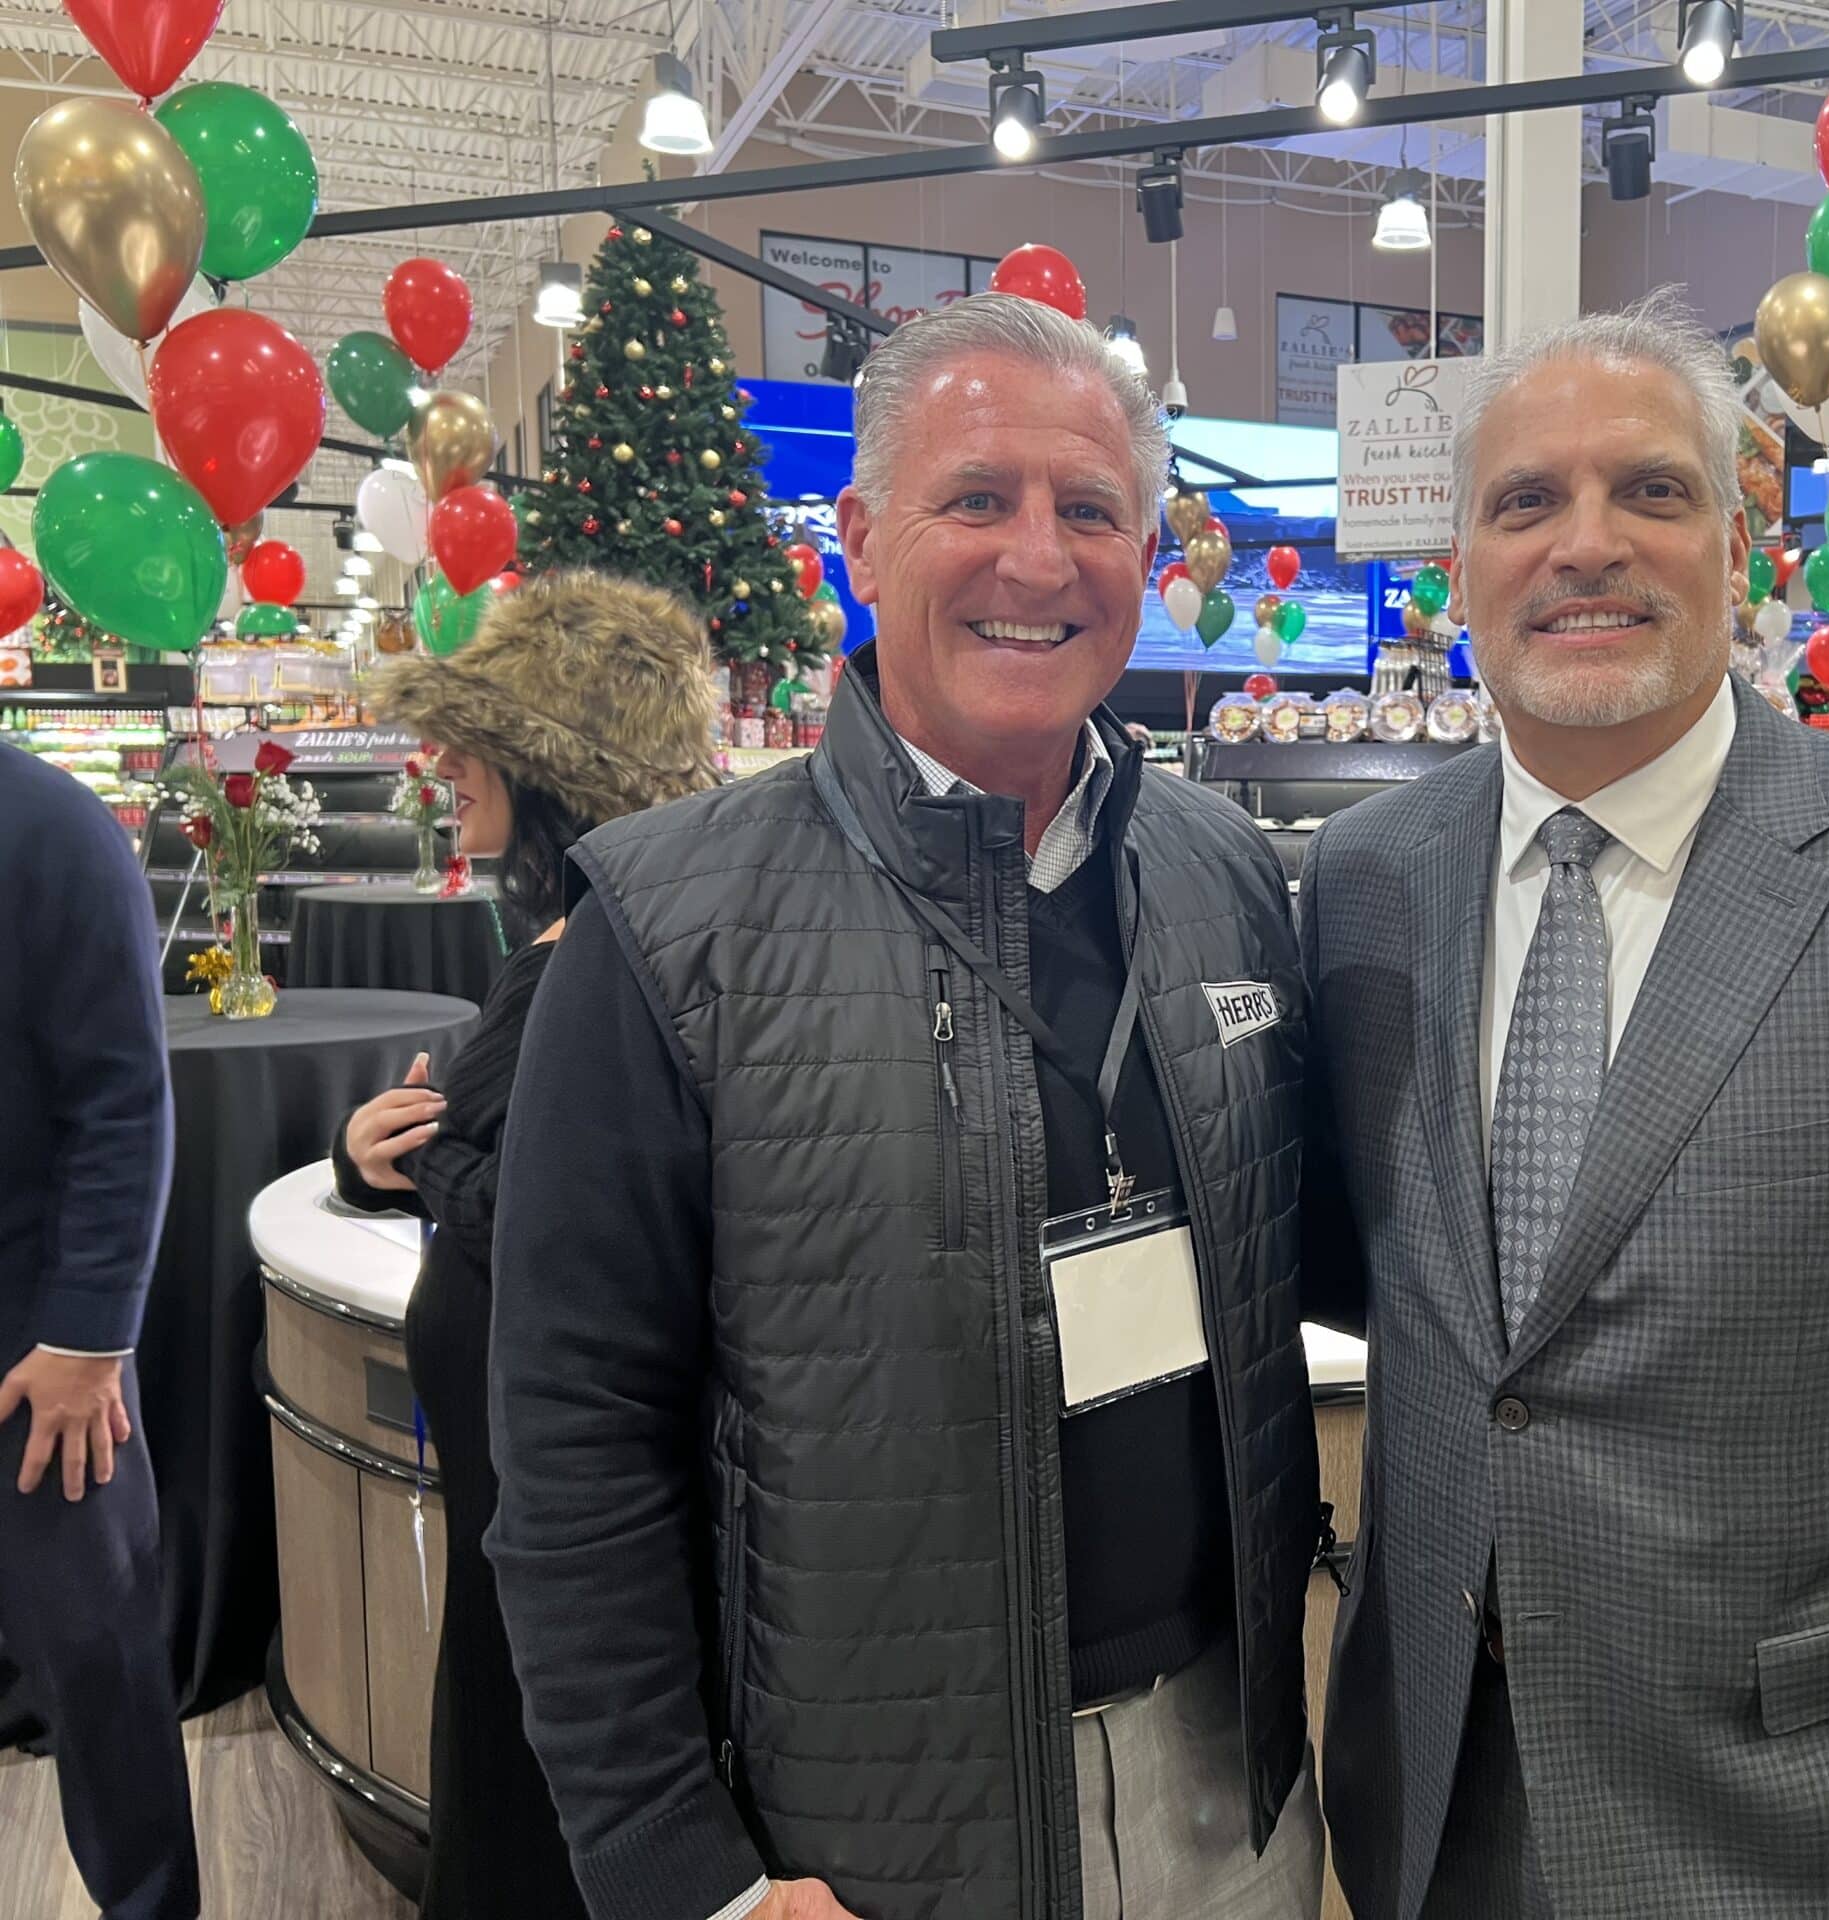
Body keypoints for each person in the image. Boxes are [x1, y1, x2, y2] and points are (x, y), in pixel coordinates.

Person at [1298, 287, 1829, 1920]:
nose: (1587, 545)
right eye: (1526, 502)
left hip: (1788, 1835)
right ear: (1461, 566)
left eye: (1651, 488)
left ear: (1740, 540)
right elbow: (1405, 1296)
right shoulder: (1367, 878)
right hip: (1431, 1802)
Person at [488, 291, 1325, 1920]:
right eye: (978, 498)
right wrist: (684, 1874)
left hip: (1233, 1790)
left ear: (1149, 555)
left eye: (1092, 510)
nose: (1039, 558)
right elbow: (574, 1447)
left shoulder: (1226, 875)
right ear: (863, 543)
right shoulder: (668, 930)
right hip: (870, 1842)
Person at [330, 570, 722, 1920]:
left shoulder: (596, 962)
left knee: (535, 1781)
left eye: (473, 739)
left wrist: (432, 1164)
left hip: (560, 1496)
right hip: (521, 1478)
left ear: (555, 766)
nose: (445, 765)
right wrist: (390, 1160)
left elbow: (583, 1222)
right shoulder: (575, 942)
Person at [0, 745, 198, 1919]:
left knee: (96, 1658)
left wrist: (86, 1337)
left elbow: (124, 1097)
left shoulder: (51, 825)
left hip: (36, 1344)